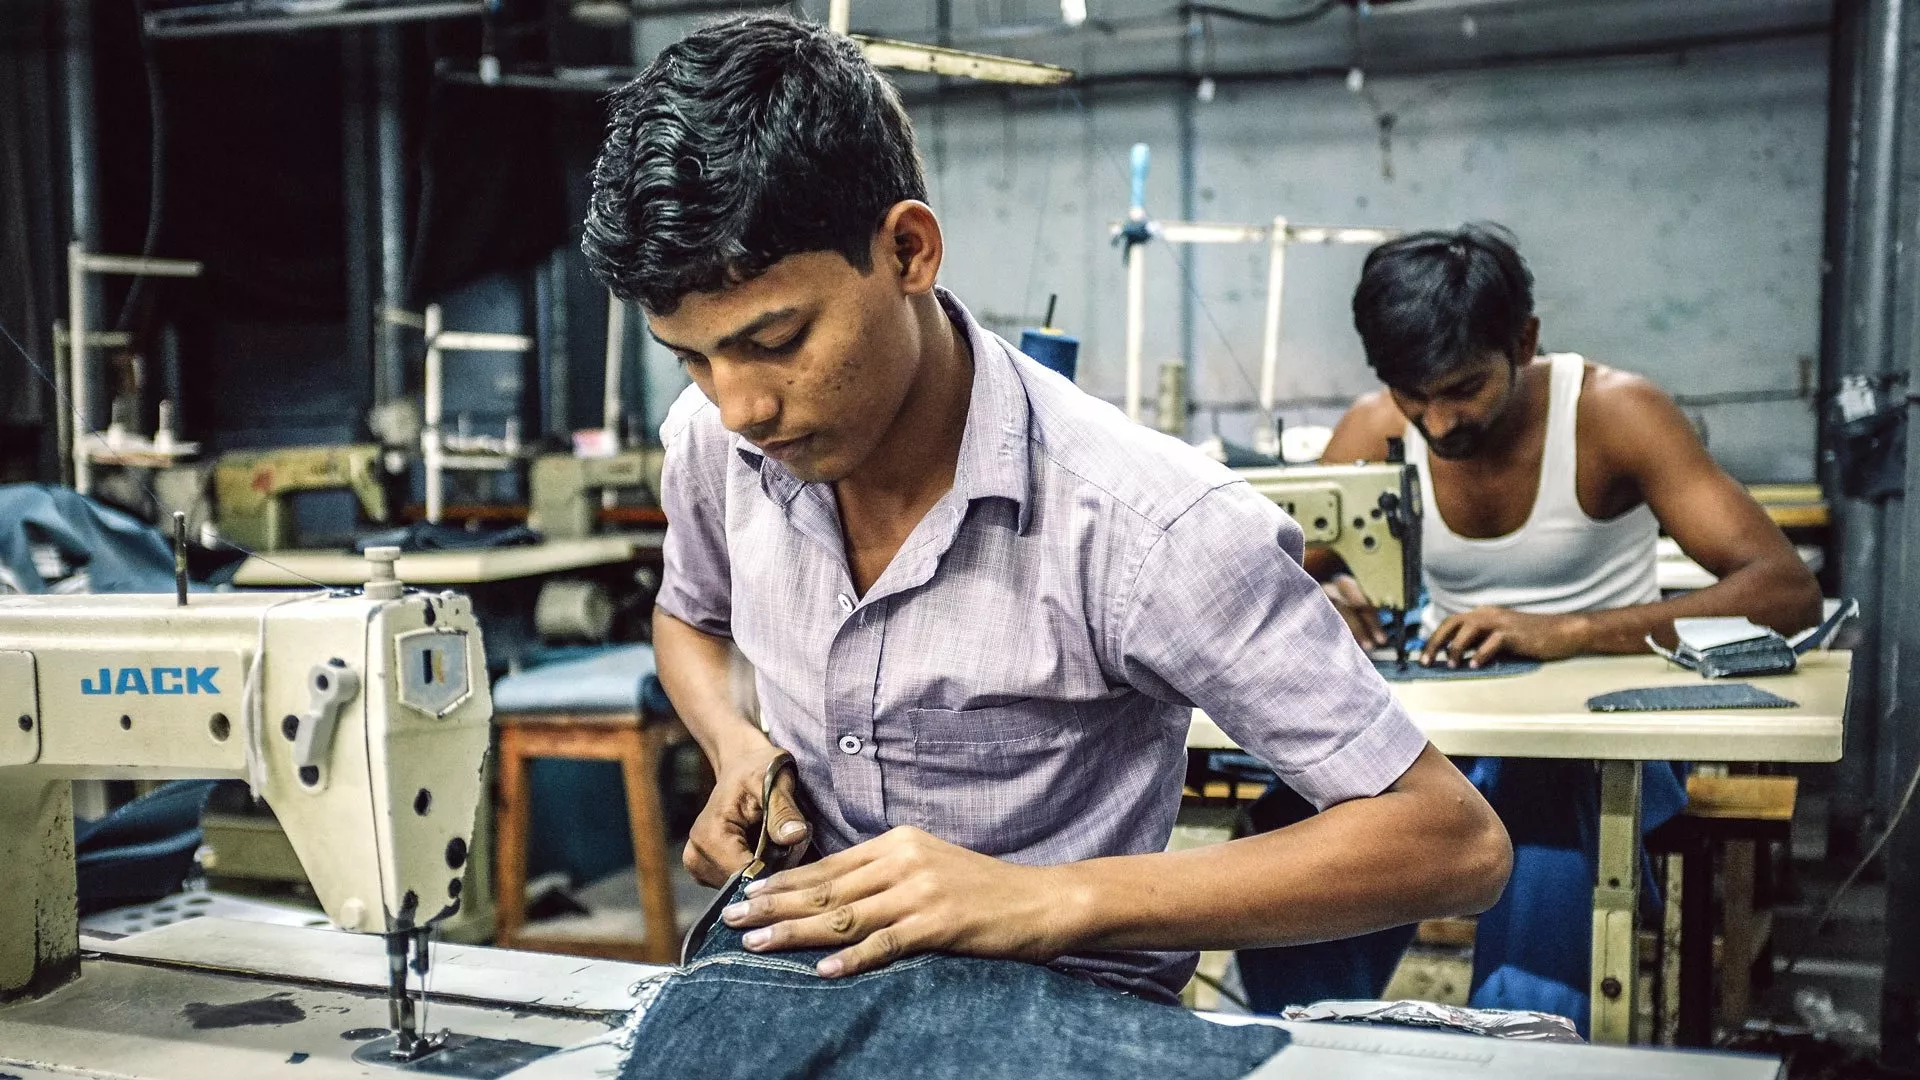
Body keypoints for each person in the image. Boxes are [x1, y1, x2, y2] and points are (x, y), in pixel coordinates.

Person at [581, 14, 1510, 1005]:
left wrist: (1051, 899)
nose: (740, 407)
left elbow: (1451, 840)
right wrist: (736, 745)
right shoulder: (712, 441)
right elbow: (688, 614)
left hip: (1059, 1012)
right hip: (803, 977)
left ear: (908, 250)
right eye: (693, 358)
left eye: (775, 339)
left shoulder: (1147, 525)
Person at [1238, 223, 1821, 1026]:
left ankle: (1525, 1052)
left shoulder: (1614, 413)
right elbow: (1272, 572)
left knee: (1538, 809)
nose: (1438, 425)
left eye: (1464, 389)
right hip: (1456, 734)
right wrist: (1330, 595)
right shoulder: (1377, 426)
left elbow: (1785, 591)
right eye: (1416, 397)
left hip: (1604, 750)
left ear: (1526, 339)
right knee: (1304, 815)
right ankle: (1293, 1044)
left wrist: (1570, 631)